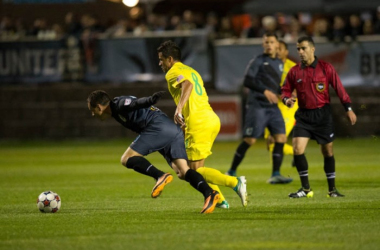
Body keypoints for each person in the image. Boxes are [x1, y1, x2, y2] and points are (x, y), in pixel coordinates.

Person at [87, 90, 220, 213]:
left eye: (92, 110)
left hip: (157, 127)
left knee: (126, 158)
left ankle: (160, 176)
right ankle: (209, 193)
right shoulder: (116, 108)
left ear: (99, 107)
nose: (93, 114)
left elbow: (135, 103)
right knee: (182, 171)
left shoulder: (118, 104)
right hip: (171, 129)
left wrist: (150, 100)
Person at [157, 40, 247, 209]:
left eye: (161, 59)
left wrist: (178, 109)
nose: (160, 63)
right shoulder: (191, 70)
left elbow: (187, 85)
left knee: (192, 172)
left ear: (170, 59)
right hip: (210, 118)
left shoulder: (172, 72)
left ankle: (235, 182)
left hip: (198, 123)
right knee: (194, 170)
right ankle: (219, 200)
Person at [281, 36, 357, 198]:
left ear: (313, 49)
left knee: (327, 151)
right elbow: (285, 90)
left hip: (322, 115)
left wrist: (348, 108)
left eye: (303, 48)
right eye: (298, 49)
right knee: (297, 149)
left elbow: (339, 88)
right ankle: (305, 188)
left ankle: (332, 190)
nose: (300, 52)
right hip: (303, 116)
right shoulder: (294, 71)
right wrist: (286, 99)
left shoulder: (326, 68)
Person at [226, 32, 293, 184]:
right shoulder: (258, 61)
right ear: (263, 45)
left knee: (281, 138)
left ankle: (276, 174)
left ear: (277, 45)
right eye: (266, 42)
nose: (269, 44)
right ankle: (231, 170)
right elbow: (247, 81)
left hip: (273, 106)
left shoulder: (279, 63)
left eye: (271, 42)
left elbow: (276, 86)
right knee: (250, 140)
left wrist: (286, 96)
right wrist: (265, 91)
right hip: (258, 105)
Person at [264, 40, 298, 162]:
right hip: (272, 106)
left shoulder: (293, 68)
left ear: (286, 52)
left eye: (280, 49)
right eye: (276, 48)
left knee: (275, 140)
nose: (277, 51)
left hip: (288, 107)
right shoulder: (269, 66)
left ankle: (298, 154)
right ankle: (297, 154)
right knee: (271, 144)